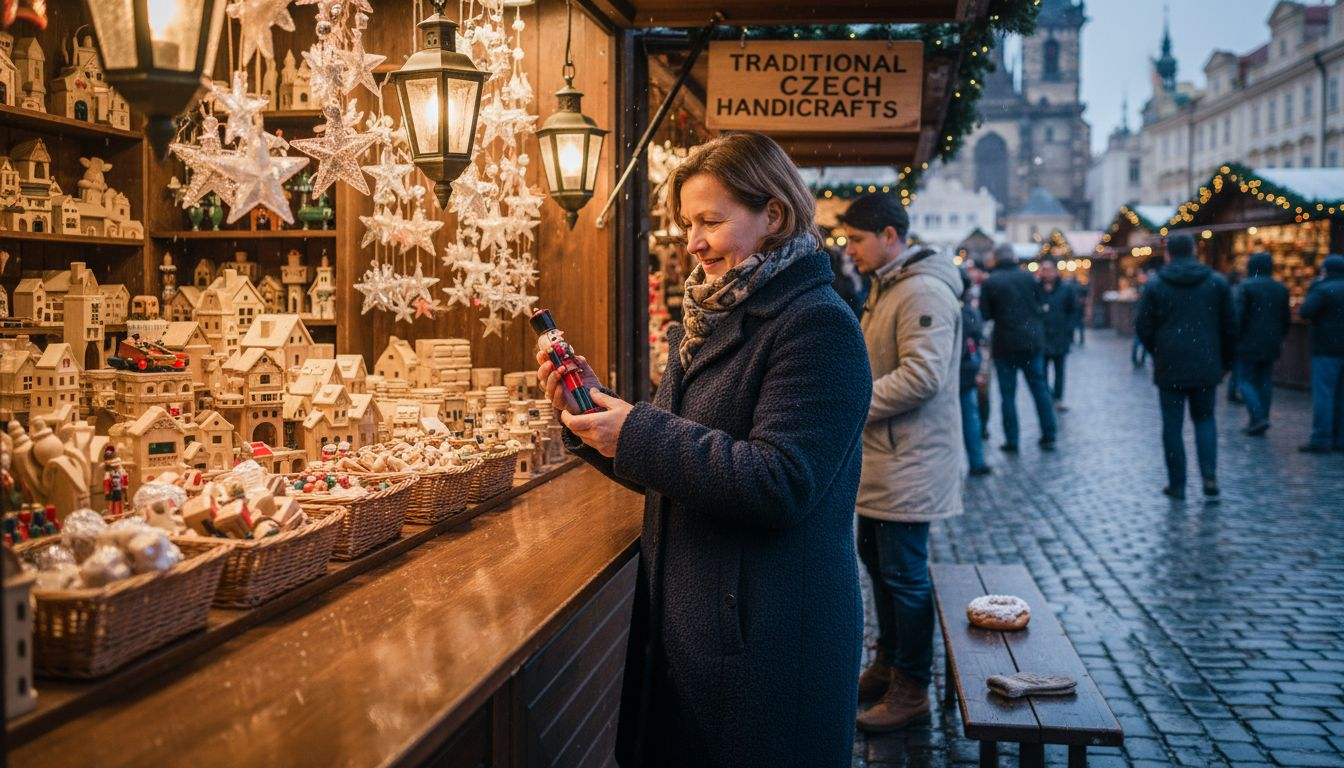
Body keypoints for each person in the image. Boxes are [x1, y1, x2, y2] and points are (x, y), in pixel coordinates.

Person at [539, 132, 872, 768]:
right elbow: (675, 454)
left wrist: (635, 430)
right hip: (702, 630)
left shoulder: (818, 325)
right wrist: (590, 411)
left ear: (772, 214)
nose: (692, 242)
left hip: (768, 643)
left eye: (711, 222)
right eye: (688, 222)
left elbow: (782, 482)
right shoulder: (708, 319)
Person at [841, 191, 964, 732]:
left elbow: (922, 376)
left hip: (908, 460)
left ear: (889, 236)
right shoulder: (889, 286)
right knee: (880, 564)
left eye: (856, 240)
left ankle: (912, 687)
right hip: (887, 459)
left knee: (904, 576)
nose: (849, 251)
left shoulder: (919, 290)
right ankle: (889, 665)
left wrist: (852, 404)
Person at [1134, 233, 1237, 499]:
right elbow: (1230, 326)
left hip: (1170, 364)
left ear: (1168, 253)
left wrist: (1157, 350)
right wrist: (1225, 360)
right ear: (1194, 250)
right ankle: (1209, 476)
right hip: (1206, 361)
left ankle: (1177, 483)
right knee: (1204, 420)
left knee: (1172, 425)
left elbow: (1143, 326)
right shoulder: (1216, 282)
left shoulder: (1156, 285)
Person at [979, 243, 1057, 451]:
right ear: (1013, 257)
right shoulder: (1028, 278)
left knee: (1008, 396)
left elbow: (985, 315)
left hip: (1005, 344)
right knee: (1040, 389)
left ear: (996, 259)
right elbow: (1042, 304)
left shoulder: (991, 282)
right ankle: (1049, 434)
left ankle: (1012, 440)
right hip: (1032, 342)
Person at [1233, 251, 1290, 435]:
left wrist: (1235, 337)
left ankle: (1258, 417)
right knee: (1264, 381)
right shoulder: (1280, 288)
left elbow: (1238, 316)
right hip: (1271, 342)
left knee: (1245, 381)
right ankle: (1260, 418)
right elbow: (1285, 318)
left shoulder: (1246, 287)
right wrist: (1280, 337)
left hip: (1248, 342)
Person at [1297, 253, 1344, 453]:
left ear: (1325, 270)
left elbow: (1306, 311)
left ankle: (1321, 438)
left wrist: (1314, 287)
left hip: (1326, 348)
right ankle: (1340, 438)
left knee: (1324, 394)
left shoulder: (1322, 289)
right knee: (1341, 395)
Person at [958, 268, 991, 476]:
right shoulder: (969, 311)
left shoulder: (948, 308)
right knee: (970, 415)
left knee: (964, 416)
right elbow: (979, 337)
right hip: (967, 369)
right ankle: (976, 461)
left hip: (958, 370)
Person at [1038, 260, 1079, 411]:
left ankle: (1058, 398)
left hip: (1060, 336)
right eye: (1044, 269)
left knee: (1059, 370)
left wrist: (1069, 330)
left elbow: (1073, 310)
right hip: (1042, 338)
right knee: (1041, 371)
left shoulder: (1065, 289)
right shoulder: (1037, 289)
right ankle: (1047, 396)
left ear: (1055, 271)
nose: (1047, 273)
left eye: (1049, 270)